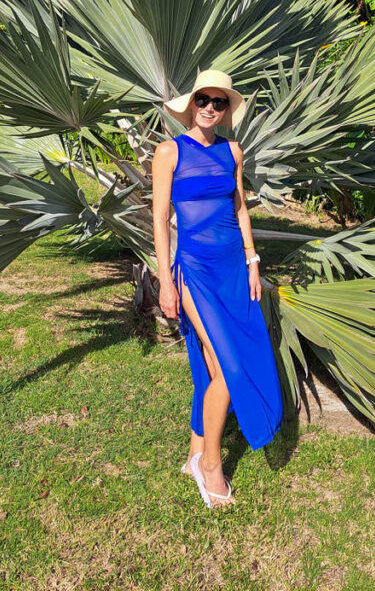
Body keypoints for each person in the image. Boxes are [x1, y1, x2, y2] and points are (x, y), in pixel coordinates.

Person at [151, 67, 283, 509]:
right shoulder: (169, 152)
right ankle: (211, 465)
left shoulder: (233, 151)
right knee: (227, 366)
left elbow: (241, 207)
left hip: (232, 268)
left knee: (212, 366)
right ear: (191, 104)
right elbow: (158, 222)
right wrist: (165, 283)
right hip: (194, 271)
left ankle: (194, 454)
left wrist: (251, 260)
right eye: (203, 100)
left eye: (219, 102)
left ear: (227, 109)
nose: (210, 108)